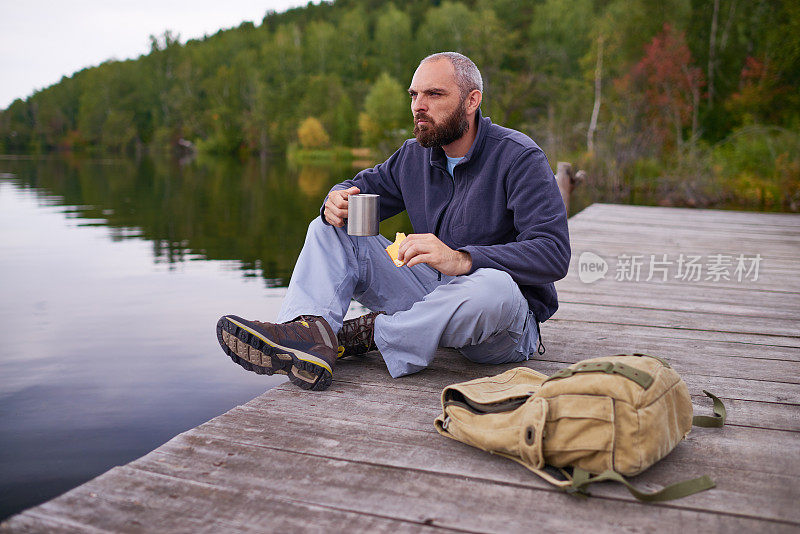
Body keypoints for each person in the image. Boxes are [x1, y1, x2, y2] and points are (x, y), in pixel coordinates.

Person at [216, 52, 570, 391]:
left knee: (493, 287)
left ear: (472, 100)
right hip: (431, 296)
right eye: (414, 94)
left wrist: (462, 259)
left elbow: (553, 253)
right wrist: (336, 199)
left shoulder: (519, 157)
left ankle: (365, 336)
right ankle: (309, 332)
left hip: (500, 327)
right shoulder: (414, 156)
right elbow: (360, 188)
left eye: (434, 94)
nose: (419, 105)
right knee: (330, 227)